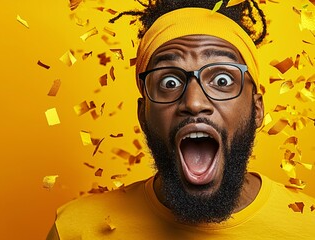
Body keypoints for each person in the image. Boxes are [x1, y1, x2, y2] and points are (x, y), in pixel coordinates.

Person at [47, 0, 315, 239]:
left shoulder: (308, 226)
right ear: (143, 114)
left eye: (222, 80)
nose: (194, 102)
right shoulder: (75, 230)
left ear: (257, 109)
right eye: (170, 81)